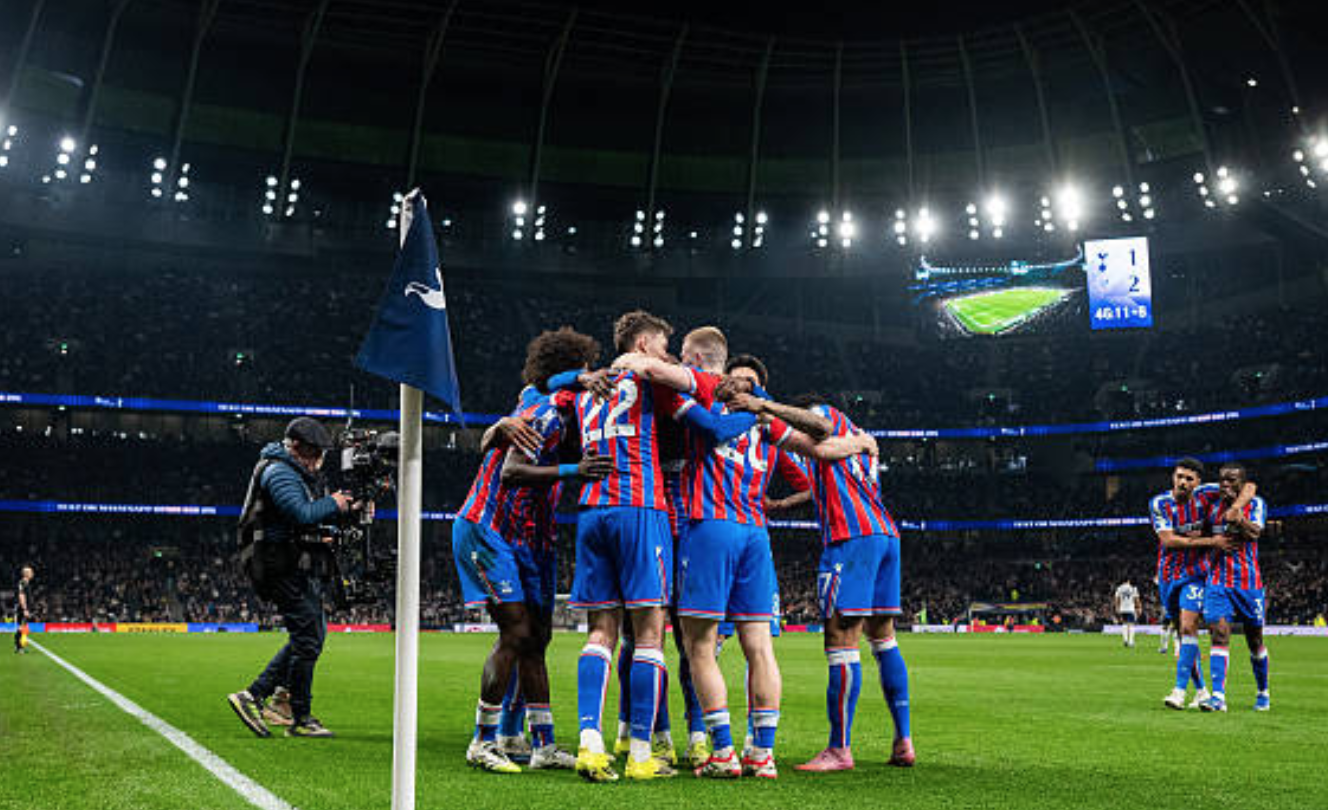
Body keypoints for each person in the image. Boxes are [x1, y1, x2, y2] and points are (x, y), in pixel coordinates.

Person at [617, 332, 874, 780]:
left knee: (699, 646)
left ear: (699, 360)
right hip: (755, 534)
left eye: (684, 356)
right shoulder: (763, 417)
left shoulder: (698, 387)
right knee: (760, 648)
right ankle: (762, 754)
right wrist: (860, 443)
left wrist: (612, 368)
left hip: (709, 527)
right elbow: (822, 443)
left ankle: (722, 752)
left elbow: (650, 369)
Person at [453, 327, 612, 773]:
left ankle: (540, 743)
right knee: (518, 634)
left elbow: (547, 384)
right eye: (584, 372)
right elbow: (511, 471)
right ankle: (482, 740)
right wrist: (573, 470)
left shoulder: (540, 397)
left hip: (530, 537)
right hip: (489, 526)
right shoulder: (546, 413)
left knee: (538, 637)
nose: (590, 381)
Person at [729, 392, 913, 772]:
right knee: (883, 639)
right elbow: (828, 478)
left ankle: (839, 749)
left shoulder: (820, 416)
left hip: (850, 538)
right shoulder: (859, 436)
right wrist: (786, 504)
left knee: (840, 642)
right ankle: (903, 740)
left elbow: (819, 428)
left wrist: (767, 408)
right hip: (884, 535)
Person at [227, 417, 356, 739]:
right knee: (308, 638)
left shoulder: (288, 470)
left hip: (288, 562)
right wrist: (334, 504)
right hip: (279, 566)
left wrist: (321, 535)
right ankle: (281, 707)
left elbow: (294, 523)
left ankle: (277, 702)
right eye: (315, 452)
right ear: (297, 447)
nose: (319, 460)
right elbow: (299, 513)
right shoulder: (279, 471)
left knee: (311, 633)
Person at [1151, 458, 1250, 711]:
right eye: (1179, 476)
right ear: (1173, 477)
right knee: (1183, 635)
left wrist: (1237, 508)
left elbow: (1249, 486)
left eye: (1189, 479)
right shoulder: (1159, 503)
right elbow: (1168, 540)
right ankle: (1202, 690)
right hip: (1167, 576)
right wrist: (1210, 541)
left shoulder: (1206, 494)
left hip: (1196, 573)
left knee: (1187, 626)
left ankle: (1178, 691)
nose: (1183, 482)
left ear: (1197, 483)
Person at [1199, 463, 1270, 713]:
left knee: (1255, 640)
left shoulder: (1256, 503)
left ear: (1242, 483)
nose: (1225, 485)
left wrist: (1237, 515)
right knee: (1219, 633)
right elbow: (1202, 535)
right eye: (1222, 481)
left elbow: (1255, 533)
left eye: (1231, 481)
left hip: (1249, 584)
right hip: (1218, 581)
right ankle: (1218, 697)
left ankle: (1263, 692)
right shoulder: (1213, 508)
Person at [13, 565, 34, 654]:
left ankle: (21, 645)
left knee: (24, 628)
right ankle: (19, 647)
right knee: (21, 628)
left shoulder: (26, 583)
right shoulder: (22, 583)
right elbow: (21, 596)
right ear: (26, 573)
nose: (32, 573)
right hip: (22, 609)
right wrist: (25, 609)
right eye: (31, 572)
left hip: (25, 608)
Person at [1114, 579, 1140, 648]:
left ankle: (1125, 640)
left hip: (1122, 609)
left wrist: (1117, 607)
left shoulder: (1119, 588)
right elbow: (1136, 599)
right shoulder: (1133, 588)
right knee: (1131, 625)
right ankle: (1131, 641)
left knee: (1124, 624)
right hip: (1130, 609)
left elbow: (1117, 599)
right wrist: (1139, 607)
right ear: (1128, 580)